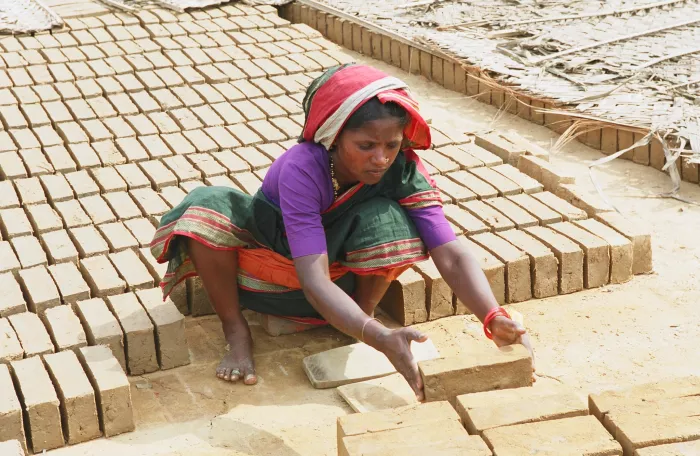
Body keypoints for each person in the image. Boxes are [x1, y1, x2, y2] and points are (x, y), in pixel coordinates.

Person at [150, 63, 533, 400]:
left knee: (390, 220)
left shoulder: (402, 167)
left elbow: (449, 251)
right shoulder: (303, 168)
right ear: (333, 138)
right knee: (207, 207)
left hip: (340, 283)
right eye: (365, 145)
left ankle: (357, 318)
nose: (381, 158)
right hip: (267, 270)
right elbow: (312, 279)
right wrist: (381, 336)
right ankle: (236, 331)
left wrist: (491, 315)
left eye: (391, 145)